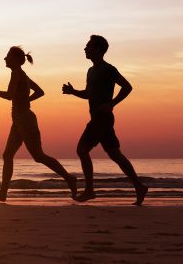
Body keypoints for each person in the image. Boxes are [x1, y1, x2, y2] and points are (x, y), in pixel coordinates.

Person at [62, 35, 148, 205]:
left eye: (89, 46)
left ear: (99, 50)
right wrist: (73, 92)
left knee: (82, 150)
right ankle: (139, 187)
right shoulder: (91, 71)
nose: (85, 49)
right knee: (115, 154)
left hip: (102, 119)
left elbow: (127, 87)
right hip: (98, 118)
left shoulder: (108, 69)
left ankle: (89, 190)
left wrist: (112, 103)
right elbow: (88, 94)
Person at [0, 46, 77, 202]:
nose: (5, 58)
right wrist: (26, 100)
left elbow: (9, 96)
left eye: (8, 56)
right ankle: (3, 192)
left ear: (16, 60)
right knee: (7, 155)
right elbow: (40, 92)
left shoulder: (17, 74)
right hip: (19, 120)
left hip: (25, 120)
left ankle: (69, 178)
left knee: (39, 156)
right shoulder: (22, 74)